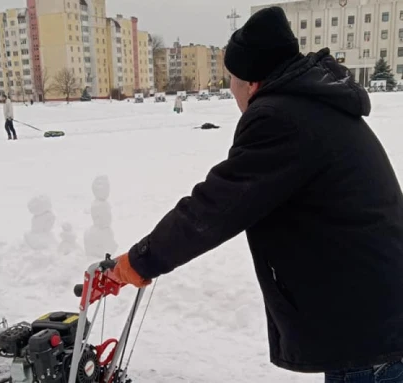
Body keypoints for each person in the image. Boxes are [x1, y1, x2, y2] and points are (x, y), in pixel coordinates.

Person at [112, 6, 403, 383]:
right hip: (375, 318)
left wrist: (139, 262)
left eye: (231, 79)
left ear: (250, 82)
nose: (231, 89)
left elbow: (217, 207)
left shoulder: (283, 119)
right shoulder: (317, 107)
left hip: (370, 335)